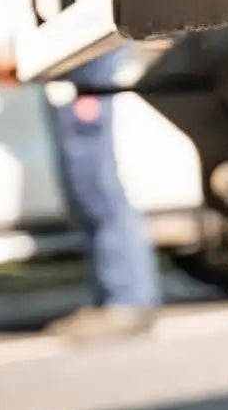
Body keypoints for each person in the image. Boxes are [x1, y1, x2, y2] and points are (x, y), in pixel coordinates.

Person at [40, 45, 162, 340]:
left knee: (97, 186)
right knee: (89, 188)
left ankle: (126, 300)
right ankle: (117, 298)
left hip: (84, 55)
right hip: (73, 56)